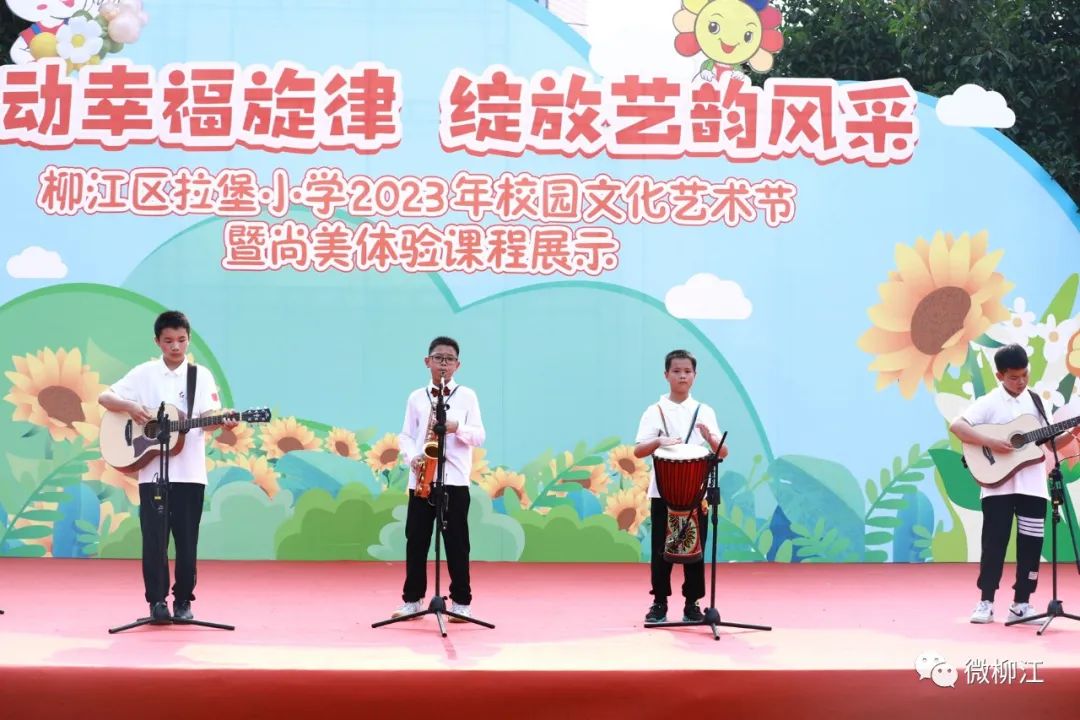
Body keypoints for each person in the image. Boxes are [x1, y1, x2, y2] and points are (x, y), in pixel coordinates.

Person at [98, 311, 236, 622]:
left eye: (181, 340)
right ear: (157, 341)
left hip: (190, 474)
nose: (175, 346)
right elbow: (105, 397)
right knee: (154, 542)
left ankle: (183, 601)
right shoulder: (144, 373)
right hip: (152, 474)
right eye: (168, 341)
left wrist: (222, 422)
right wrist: (132, 407)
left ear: (189, 339)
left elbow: (207, 419)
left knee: (187, 542)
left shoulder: (200, 376)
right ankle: (156, 603)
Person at [949, 343, 1079, 624]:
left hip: (1033, 487)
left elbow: (1050, 443)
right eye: (1013, 377)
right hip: (997, 486)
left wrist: (1072, 432)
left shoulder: (1036, 401)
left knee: (1031, 545)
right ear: (1000, 376)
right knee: (994, 544)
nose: (1021, 382)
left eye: (1024, 375)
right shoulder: (989, 402)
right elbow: (958, 426)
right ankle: (985, 602)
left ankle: (1022, 604)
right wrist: (992, 442)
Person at [391, 336, 486, 621]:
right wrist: (413, 457)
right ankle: (412, 601)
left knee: (457, 543)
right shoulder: (416, 397)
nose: (443, 364)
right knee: (416, 541)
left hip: (454, 480)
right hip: (422, 479)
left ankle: (461, 603)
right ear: (427, 361)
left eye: (449, 359)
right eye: (438, 358)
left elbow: (479, 436)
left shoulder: (467, 396)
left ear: (458, 365)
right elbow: (406, 435)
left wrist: (457, 427)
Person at [634, 349, 727, 624]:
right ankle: (659, 602)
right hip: (663, 492)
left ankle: (692, 604)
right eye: (676, 371)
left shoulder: (704, 411)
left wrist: (711, 438)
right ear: (666, 375)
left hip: (696, 492)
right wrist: (658, 442)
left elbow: (722, 452)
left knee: (695, 550)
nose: (682, 376)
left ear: (695, 375)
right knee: (661, 549)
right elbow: (638, 450)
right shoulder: (655, 411)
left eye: (687, 371)